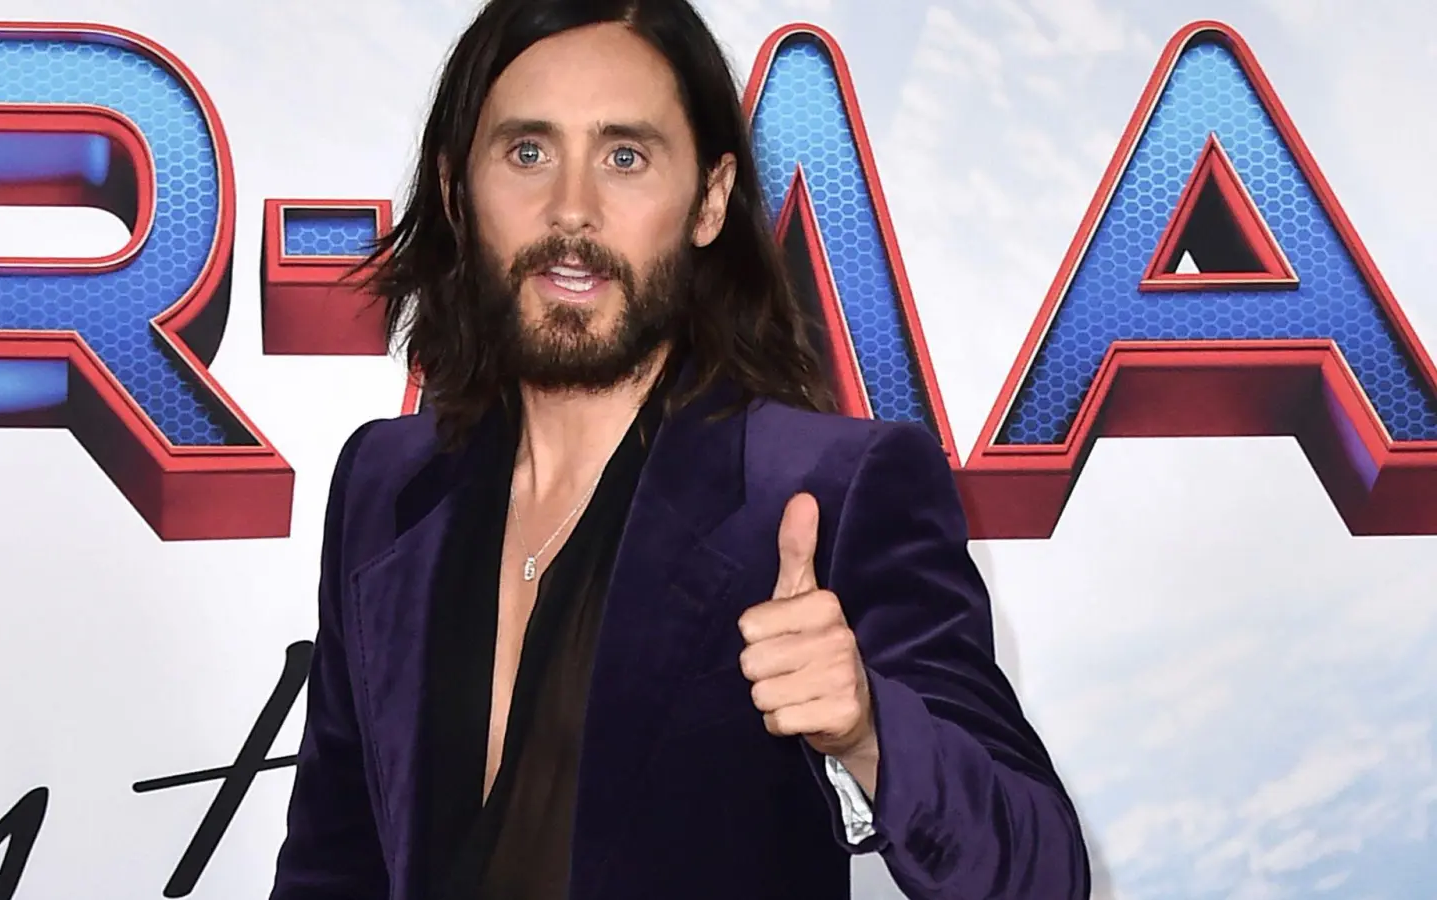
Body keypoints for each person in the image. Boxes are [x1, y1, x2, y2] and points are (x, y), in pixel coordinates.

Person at [269, 0, 1089, 897]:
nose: (571, 209)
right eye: (528, 152)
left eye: (626, 157)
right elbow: (332, 859)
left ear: (708, 201)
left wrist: (868, 732)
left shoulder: (828, 491)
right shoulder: (384, 484)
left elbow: (1040, 874)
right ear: (459, 193)